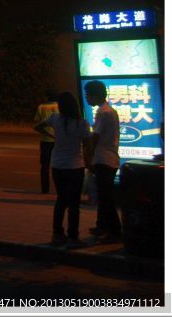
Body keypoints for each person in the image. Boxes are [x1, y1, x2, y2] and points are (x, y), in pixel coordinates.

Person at [35, 91, 90, 244]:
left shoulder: (55, 119)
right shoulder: (82, 123)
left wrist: (53, 136)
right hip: (75, 166)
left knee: (61, 200)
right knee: (74, 204)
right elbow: (87, 144)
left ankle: (57, 233)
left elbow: (38, 126)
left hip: (58, 165)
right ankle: (73, 236)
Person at [85, 80, 122, 240]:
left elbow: (95, 136)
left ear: (95, 95)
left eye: (88, 95)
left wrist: (88, 155)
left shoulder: (102, 112)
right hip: (111, 157)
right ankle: (101, 225)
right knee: (104, 194)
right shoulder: (110, 110)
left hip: (103, 159)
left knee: (106, 197)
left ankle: (114, 231)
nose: (86, 98)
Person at [33, 90, 59, 194]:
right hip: (58, 141)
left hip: (45, 141)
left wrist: (48, 133)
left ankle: (45, 189)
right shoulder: (60, 107)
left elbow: (36, 122)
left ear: (47, 97)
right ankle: (59, 189)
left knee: (45, 166)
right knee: (57, 166)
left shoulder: (41, 107)